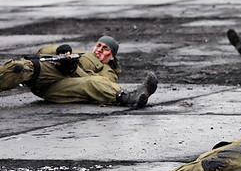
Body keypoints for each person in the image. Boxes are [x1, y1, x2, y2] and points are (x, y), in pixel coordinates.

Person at [0, 36, 157, 108]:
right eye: (98, 46)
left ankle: (131, 97)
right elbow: (42, 51)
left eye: (105, 49)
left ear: (111, 56)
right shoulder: (81, 53)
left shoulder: (108, 72)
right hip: (46, 72)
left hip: (61, 87)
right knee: (18, 67)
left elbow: (95, 85)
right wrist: (61, 50)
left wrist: (73, 69)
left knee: (90, 83)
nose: (99, 50)